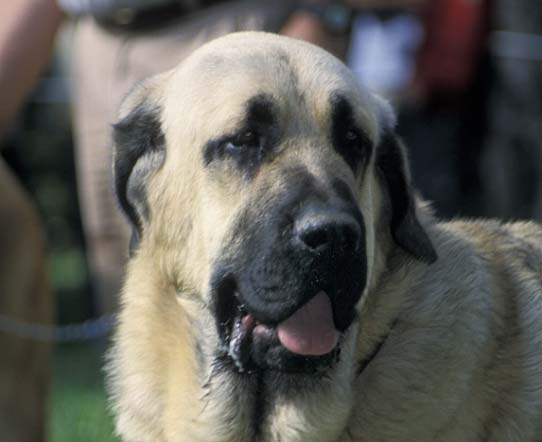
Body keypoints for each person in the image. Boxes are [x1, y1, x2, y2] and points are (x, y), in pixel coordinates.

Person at [1, 0, 357, 314]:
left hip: (231, 25)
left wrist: (323, 9)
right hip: (98, 42)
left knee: (274, 283)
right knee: (127, 292)